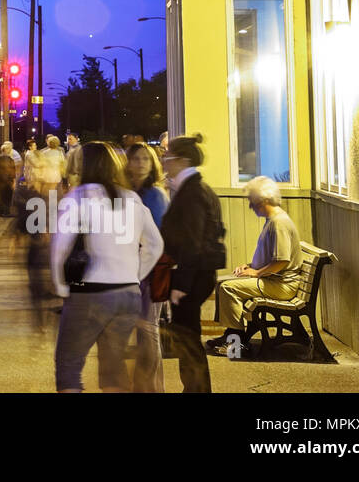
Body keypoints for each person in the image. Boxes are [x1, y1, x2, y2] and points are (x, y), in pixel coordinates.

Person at [50, 143, 163, 393]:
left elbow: (60, 246)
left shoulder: (78, 197)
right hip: (127, 293)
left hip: (89, 293)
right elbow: (155, 245)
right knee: (113, 368)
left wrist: (60, 286)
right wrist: (134, 275)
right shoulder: (132, 198)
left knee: (69, 365)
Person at [159, 134, 225, 393]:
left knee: (187, 339)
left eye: (168, 158)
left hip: (192, 276)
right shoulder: (196, 189)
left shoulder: (192, 193)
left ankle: (196, 390)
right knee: (188, 336)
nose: (164, 162)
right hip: (198, 273)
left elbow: (192, 243)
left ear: (182, 161)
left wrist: (181, 284)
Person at [209, 176, 303, 355]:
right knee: (222, 282)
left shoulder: (278, 223)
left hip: (281, 284)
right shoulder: (273, 221)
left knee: (229, 288)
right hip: (274, 279)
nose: (251, 206)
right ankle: (231, 334)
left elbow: (281, 261)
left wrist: (256, 273)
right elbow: (272, 257)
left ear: (265, 200)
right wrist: (248, 266)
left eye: (253, 202)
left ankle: (238, 343)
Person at [126, 142, 168, 392]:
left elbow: (159, 238)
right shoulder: (130, 192)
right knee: (142, 328)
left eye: (146, 159)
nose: (141, 163)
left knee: (149, 327)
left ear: (153, 164)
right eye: (136, 158)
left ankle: (150, 387)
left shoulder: (155, 195)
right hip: (133, 266)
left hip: (154, 268)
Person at [0, 141, 17, 217]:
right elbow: (13, 172)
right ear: (8, 151)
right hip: (8, 181)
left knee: (0, 197)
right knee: (7, 196)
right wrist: (14, 181)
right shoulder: (11, 160)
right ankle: (7, 211)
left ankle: (0, 211)